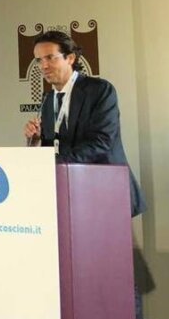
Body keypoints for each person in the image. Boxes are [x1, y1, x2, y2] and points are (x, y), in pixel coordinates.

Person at [23, 29, 146, 217]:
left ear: (70, 58)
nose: (44, 66)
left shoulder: (99, 90)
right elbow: (54, 145)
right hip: (68, 194)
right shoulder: (48, 99)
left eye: (50, 58)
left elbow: (102, 142)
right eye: (39, 60)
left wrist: (56, 163)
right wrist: (37, 140)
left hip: (105, 191)